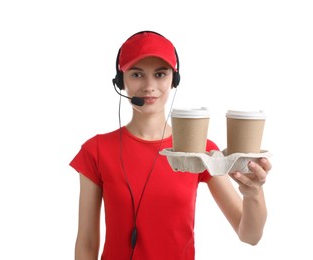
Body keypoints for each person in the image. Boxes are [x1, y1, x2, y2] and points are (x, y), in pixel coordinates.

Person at [69, 31, 272, 260]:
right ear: (120, 80)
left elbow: (250, 235)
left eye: (160, 74)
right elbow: (86, 243)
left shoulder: (200, 152)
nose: (149, 86)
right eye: (137, 74)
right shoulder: (96, 150)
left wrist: (254, 192)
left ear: (173, 79)